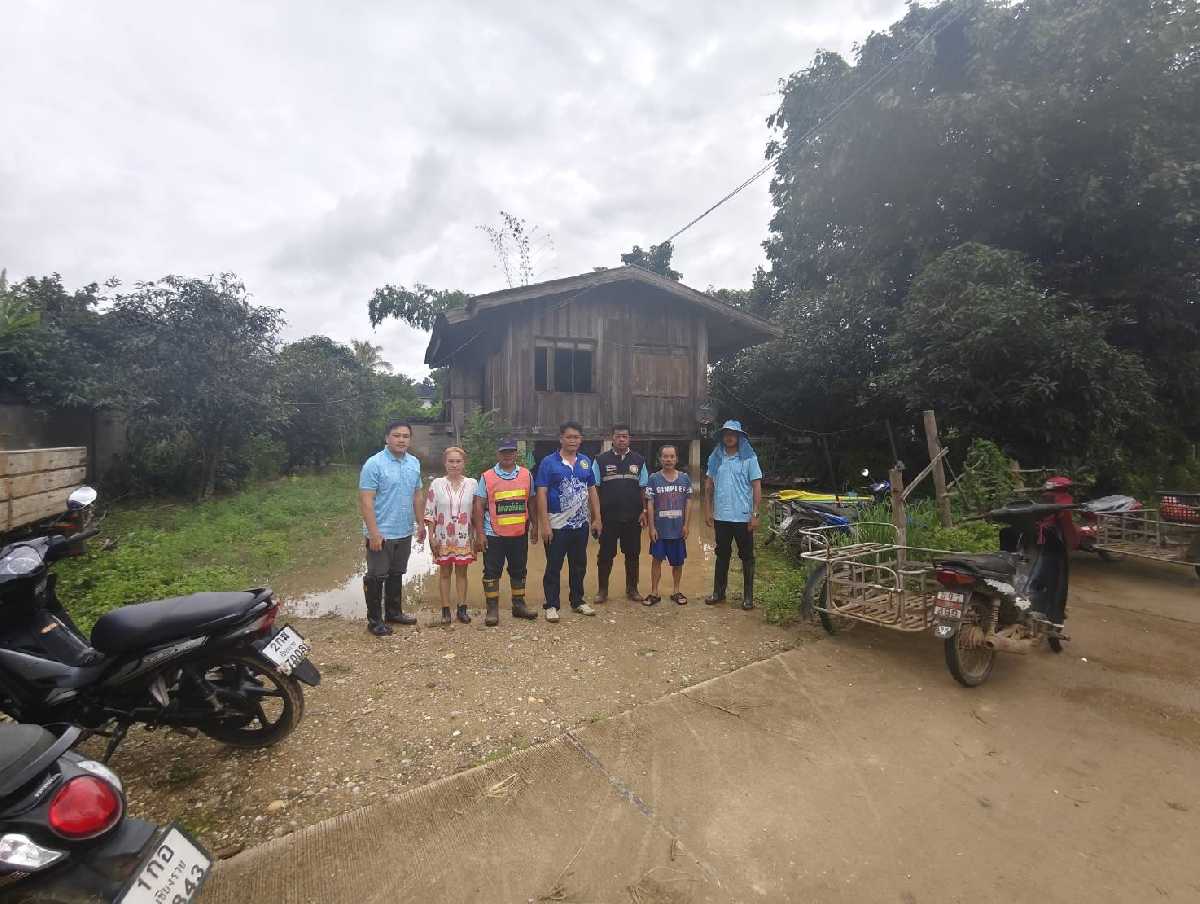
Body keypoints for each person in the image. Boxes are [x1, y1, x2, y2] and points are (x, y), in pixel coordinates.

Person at [358, 420, 426, 636]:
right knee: (376, 576)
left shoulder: (414, 463)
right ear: (387, 438)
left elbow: (417, 496)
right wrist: (373, 533)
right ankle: (374, 621)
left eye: (406, 436)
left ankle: (394, 613)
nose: (401, 440)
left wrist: (421, 523)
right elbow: (366, 501)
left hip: (404, 530)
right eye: (397, 435)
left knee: (397, 573)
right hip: (381, 532)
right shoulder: (374, 464)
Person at [536, 420, 602, 621]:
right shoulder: (549, 462)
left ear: (581, 440)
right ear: (561, 439)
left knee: (579, 564)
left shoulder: (585, 461)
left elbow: (592, 490)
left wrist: (597, 518)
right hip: (557, 525)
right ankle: (551, 604)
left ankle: (578, 600)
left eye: (576, 437)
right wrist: (544, 524)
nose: (573, 440)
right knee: (553, 566)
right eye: (569, 437)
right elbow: (541, 493)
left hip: (580, 525)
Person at [473, 437, 540, 627]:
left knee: (519, 569)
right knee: (491, 571)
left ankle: (519, 605)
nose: (508, 455)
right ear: (498, 454)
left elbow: (532, 501)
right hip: (493, 533)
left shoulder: (526, 475)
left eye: (511, 451)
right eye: (504, 452)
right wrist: (480, 534)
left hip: (519, 533)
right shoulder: (487, 477)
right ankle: (492, 609)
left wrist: (535, 526)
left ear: (516, 453)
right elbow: (478, 506)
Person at [704, 419, 762, 610]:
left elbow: (756, 486)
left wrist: (755, 514)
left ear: (739, 436)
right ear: (722, 436)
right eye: (726, 434)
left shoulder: (749, 458)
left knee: (747, 557)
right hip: (721, 516)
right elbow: (708, 486)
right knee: (721, 554)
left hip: (743, 517)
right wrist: (708, 510)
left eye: (733, 434)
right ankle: (718, 593)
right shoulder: (716, 457)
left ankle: (748, 597)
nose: (729, 437)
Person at [591, 424, 649, 603]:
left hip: (633, 517)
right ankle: (602, 590)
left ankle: (632, 589)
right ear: (612, 438)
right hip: (608, 518)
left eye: (625, 436)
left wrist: (645, 511)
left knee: (633, 554)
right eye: (618, 436)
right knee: (605, 555)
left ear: (629, 438)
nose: (622, 439)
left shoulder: (639, 460)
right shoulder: (600, 460)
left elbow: (644, 488)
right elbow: (594, 490)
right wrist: (596, 518)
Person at [424, 447, 476, 626]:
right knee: (445, 573)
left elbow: (477, 512)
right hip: (443, 537)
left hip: (464, 537)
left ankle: (462, 608)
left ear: (464, 463)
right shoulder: (437, 484)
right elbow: (430, 511)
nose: (454, 465)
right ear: (445, 463)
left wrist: (478, 536)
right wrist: (431, 536)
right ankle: (445, 610)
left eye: (458, 461)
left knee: (462, 573)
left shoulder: (472, 484)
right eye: (451, 461)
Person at [644, 444, 692, 606]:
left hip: (678, 529)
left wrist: (686, 525)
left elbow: (689, 502)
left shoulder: (684, 478)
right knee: (656, 560)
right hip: (660, 530)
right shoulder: (653, 479)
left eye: (672, 456)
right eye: (665, 456)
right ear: (660, 459)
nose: (668, 460)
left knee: (678, 562)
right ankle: (654, 592)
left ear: (676, 459)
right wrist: (651, 527)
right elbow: (650, 504)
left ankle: (676, 591)